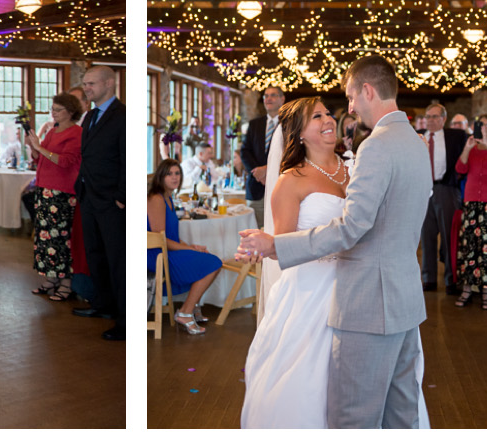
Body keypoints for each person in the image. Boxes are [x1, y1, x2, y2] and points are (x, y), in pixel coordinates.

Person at [238, 55, 431, 428]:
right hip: (386, 294)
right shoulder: (415, 142)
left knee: (355, 417)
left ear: (368, 90)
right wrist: (273, 243)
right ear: (298, 133)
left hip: (365, 298)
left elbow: (352, 226)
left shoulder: (369, 151)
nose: (346, 111)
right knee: (399, 411)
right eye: (319, 116)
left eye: (348, 99)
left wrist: (275, 245)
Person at [73, 66, 126, 341]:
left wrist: (121, 197)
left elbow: (127, 158)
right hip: (89, 196)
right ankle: (104, 305)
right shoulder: (91, 115)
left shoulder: (123, 116)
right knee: (96, 254)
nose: (87, 89)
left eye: (91, 83)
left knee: (118, 260)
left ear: (108, 83)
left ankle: (125, 320)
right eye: (85, 84)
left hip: (111, 200)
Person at [147, 158, 221, 334]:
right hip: (156, 255)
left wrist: (192, 246)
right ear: (161, 177)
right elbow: (160, 238)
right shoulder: (156, 198)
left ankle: (192, 307)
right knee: (213, 263)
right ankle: (186, 312)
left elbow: (172, 237)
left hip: (166, 250)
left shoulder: (169, 198)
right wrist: (188, 249)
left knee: (208, 259)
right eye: (169, 174)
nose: (174, 178)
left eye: (177, 173)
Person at [26, 93, 84, 301]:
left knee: (61, 239)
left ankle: (67, 283)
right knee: (45, 237)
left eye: (58, 110)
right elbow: (39, 157)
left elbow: (66, 161)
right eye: (53, 109)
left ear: (71, 112)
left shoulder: (77, 133)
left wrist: (40, 147)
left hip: (62, 190)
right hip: (45, 188)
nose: (54, 113)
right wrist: (33, 147)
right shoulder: (52, 131)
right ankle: (51, 278)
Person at [454, 113, 487, 311]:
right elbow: (460, 168)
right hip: (471, 202)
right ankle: (467, 289)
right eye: (482, 125)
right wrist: (468, 148)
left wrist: (486, 144)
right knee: (470, 247)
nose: (485, 127)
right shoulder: (471, 148)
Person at [416, 103, 466, 292]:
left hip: (445, 189)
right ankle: (428, 278)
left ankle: (452, 279)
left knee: (449, 236)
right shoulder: (417, 136)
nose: (430, 120)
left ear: (444, 119)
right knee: (426, 236)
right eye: (428, 116)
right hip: (423, 190)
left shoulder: (456, 136)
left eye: (435, 117)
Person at [242, 86, 285, 227]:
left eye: (273, 95)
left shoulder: (289, 124)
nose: (268, 99)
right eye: (266, 96)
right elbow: (245, 151)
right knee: (256, 231)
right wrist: (257, 172)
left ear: (282, 99)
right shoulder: (254, 124)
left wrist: (268, 169)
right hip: (256, 187)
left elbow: (291, 152)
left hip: (281, 187)